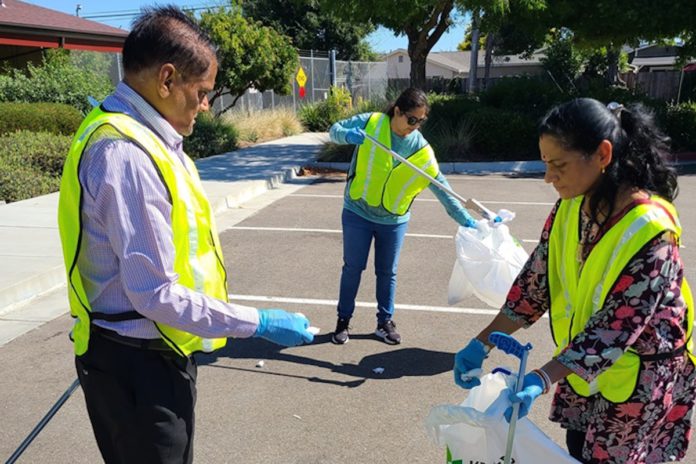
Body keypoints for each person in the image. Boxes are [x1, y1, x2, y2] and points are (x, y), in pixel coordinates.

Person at [57, 7, 314, 463]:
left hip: (142, 353)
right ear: (167, 79)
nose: (205, 105)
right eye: (201, 92)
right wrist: (257, 323)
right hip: (137, 364)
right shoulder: (128, 154)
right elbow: (154, 293)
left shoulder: (139, 135)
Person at [453, 98, 696, 464]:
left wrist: (541, 378)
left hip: (641, 377)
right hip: (583, 368)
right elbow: (534, 286)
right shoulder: (570, 205)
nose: (549, 177)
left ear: (602, 153)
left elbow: (616, 327)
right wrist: (481, 342)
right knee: (578, 450)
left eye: (559, 165)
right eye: (546, 163)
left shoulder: (651, 230)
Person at [328, 87, 478, 345]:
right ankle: (343, 321)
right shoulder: (372, 123)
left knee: (388, 272)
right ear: (397, 111)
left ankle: (384, 323)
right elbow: (334, 130)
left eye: (421, 121)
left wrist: (468, 221)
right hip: (357, 212)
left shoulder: (422, 151)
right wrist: (348, 136)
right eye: (411, 119)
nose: (415, 126)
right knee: (353, 268)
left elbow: (443, 190)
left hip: (393, 222)